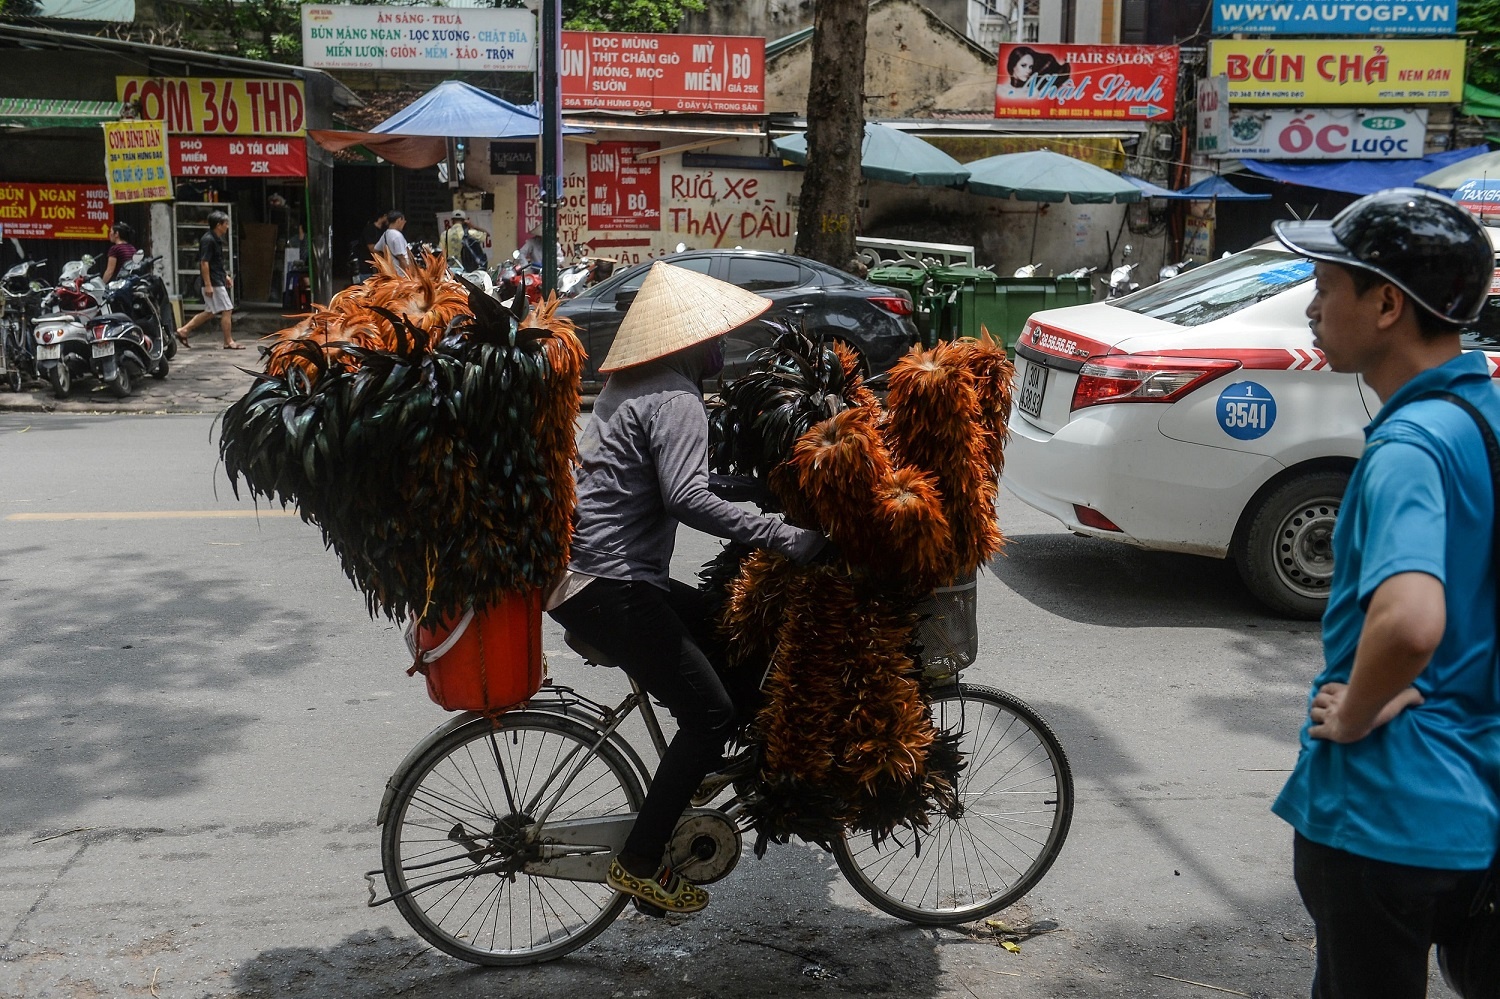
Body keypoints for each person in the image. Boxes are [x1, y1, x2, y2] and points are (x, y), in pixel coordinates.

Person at [1270, 188, 1500, 998]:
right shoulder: (1484, 416)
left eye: (1327, 287)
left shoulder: (1408, 445)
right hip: (1473, 801)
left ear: (1386, 303)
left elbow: (1410, 622)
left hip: (1382, 811)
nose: (1311, 307)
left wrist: (1364, 704)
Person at [546, 262, 826, 914]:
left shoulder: (630, 385)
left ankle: (693, 779)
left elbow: (681, 481)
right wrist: (787, 536)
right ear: (688, 343)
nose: (722, 351)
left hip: (591, 577)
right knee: (708, 716)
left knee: (726, 624)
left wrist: (758, 491)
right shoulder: (677, 399)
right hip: (610, 586)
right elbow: (688, 497)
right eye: (715, 339)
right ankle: (641, 863)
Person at [175, 210, 240, 349]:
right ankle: (228, 341)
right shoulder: (208, 240)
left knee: (210, 311)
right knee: (227, 309)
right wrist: (208, 284)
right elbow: (204, 263)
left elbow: (216, 262)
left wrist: (225, 276)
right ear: (218, 225)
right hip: (213, 282)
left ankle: (184, 330)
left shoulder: (215, 239)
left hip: (217, 278)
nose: (227, 226)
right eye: (226, 223)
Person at [372, 210, 412, 275]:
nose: (404, 223)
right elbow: (401, 258)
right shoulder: (397, 235)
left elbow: (376, 250)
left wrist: (386, 263)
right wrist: (409, 276)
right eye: (404, 220)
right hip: (401, 275)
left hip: (391, 273)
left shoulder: (386, 234)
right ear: (399, 220)